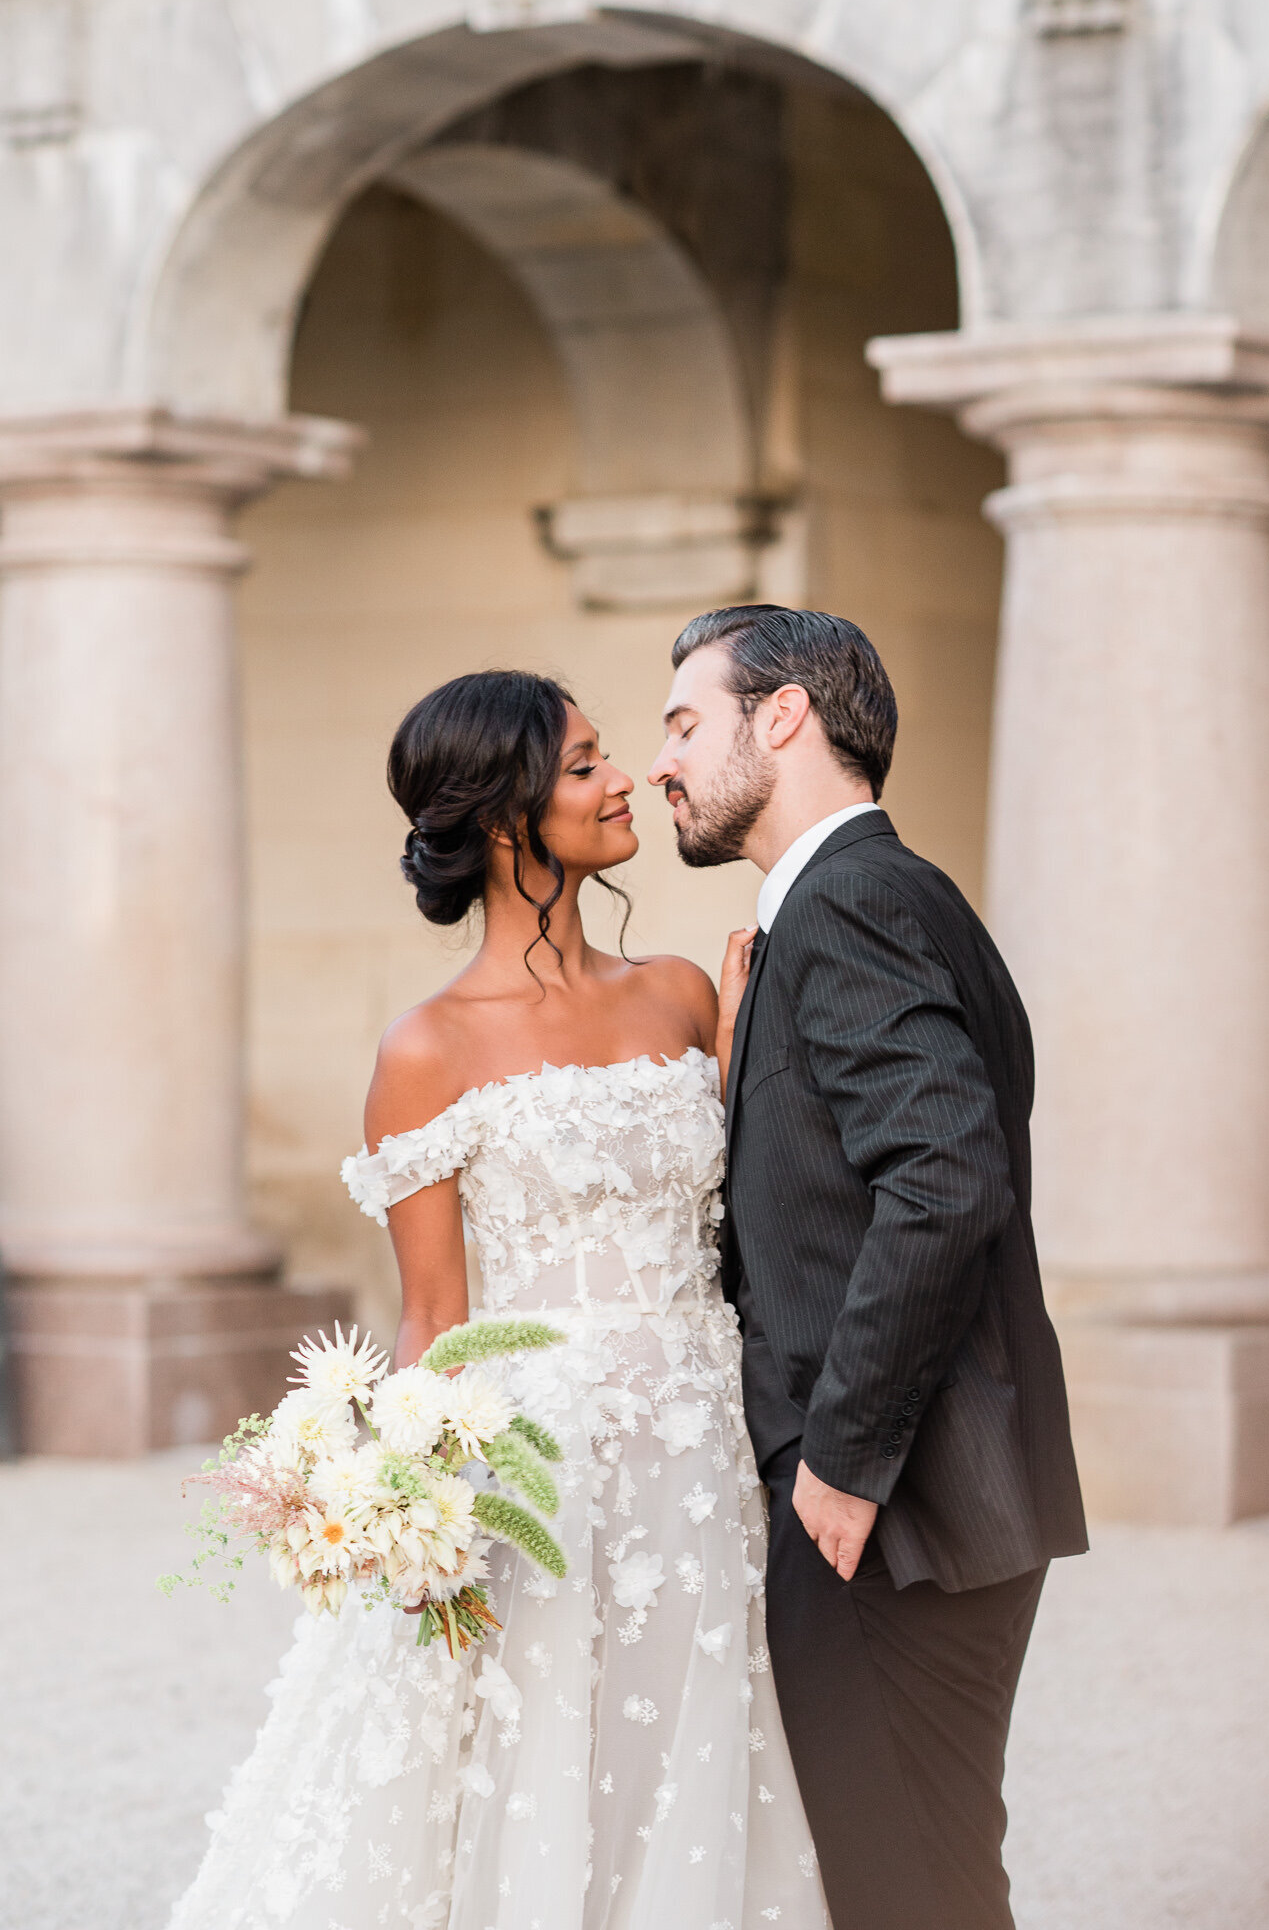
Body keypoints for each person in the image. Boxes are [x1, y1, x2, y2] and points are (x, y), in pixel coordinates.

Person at [168, 669, 827, 1930]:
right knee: (526, 1783)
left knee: (689, 1764)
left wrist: (743, 1054)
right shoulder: (425, 1047)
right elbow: (431, 1316)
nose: (625, 774)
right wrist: (407, 1513)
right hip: (538, 1471)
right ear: (512, 815)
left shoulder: (686, 990)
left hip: (703, 1461)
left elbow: (750, 1216)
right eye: (586, 764)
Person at [649, 606, 1088, 1930]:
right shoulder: (879, 897)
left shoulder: (845, 905)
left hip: (890, 1507)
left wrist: (840, 1460)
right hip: (914, 1502)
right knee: (920, 1871)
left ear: (779, 717)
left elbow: (945, 1183)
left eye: (682, 723)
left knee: (902, 1887)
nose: (661, 760)